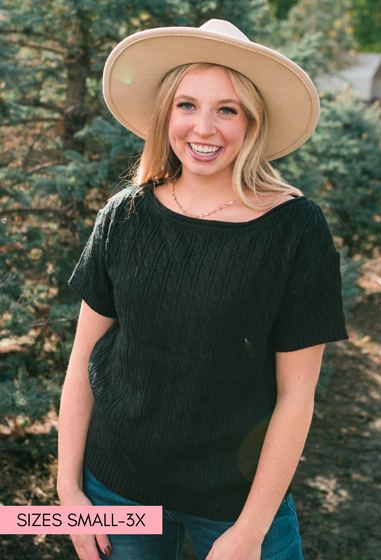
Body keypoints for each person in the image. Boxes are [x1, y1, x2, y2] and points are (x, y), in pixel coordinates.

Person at [57, 18, 349, 560]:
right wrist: (68, 492)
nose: (203, 128)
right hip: (117, 486)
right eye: (187, 105)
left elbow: (295, 396)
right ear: (166, 113)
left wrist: (250, 531)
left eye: (227, 109)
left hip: (237, 501)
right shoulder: (125, 217)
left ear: (252, 122)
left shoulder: (296, 230)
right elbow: (83, 362)